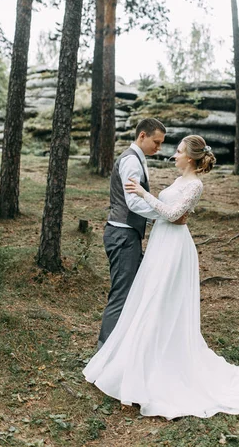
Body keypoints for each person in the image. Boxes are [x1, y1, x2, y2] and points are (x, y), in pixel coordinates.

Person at [84, 135, 239, 421]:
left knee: (159, 304)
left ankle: (144, 378)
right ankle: (134, 368)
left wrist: (145, 194)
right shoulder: (178, 181)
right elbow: (170, 213)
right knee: (147, 302)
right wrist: (159, 208)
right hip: (161, 244)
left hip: (174, 250)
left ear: (191, 157)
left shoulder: (196, 184)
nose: (174, 155)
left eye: (179, 151)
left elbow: (173, 213)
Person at [97, 117, 168, 350]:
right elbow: (133, 203)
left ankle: (126, 346)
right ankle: (104, 351)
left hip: (128, 235)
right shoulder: (131, 161)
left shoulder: (138, 158)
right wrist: (165, 214)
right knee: (122, 294)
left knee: (136, 290)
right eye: (156, 142)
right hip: (123, 235)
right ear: (142, 136)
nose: (158, 148)